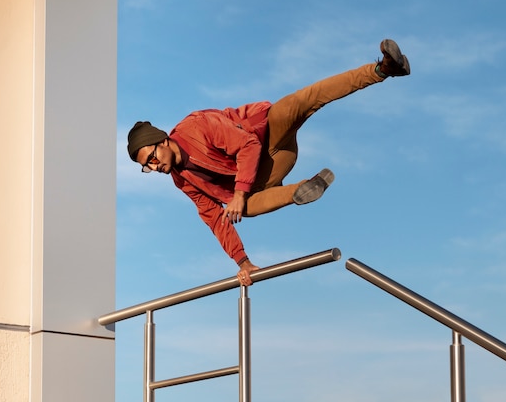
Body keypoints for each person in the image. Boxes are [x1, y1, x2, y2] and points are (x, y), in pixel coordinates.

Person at [127, 39, 410, 286]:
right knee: (241, 209)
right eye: (147, 167)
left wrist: (238, 193)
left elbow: (248, 144)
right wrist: (243, 262)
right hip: (266, 174)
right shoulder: (182, 179)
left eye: (151, 158)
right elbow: (213, 219)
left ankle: (382, 70)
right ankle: (302, 189)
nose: (153, 167)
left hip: (266, 137)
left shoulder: (197, 126)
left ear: (162, 140)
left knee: (299, 101)